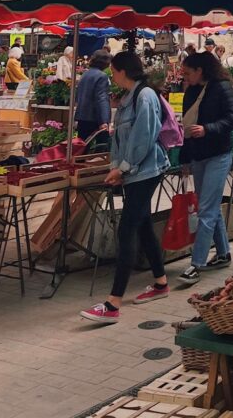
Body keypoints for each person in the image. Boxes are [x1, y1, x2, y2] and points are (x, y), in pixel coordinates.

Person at [80, 52, 169, 324]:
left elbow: (144, 137)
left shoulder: (145, 97)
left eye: (113, 72)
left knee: (127, 227)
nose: (111, 76)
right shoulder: (129, 97)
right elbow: (121, 139)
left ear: (122, 71)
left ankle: (113, 302)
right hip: (133, 172)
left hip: (147, 171)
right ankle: (161, 283)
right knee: (141, 225)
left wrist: (123, 167)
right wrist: (117, 167)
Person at [177, 51, 233, 284]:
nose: (184, 77)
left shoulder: (222, 87)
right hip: (198, 155)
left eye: (187, 72)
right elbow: (186, 126)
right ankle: (223, 253)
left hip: (218, 153)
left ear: (199, 70)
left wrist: (208, 129)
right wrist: (185, 159)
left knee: (206, 209)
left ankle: (197, 263)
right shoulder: (190, 92)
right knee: (209, 205)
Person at [75, 49, 112, 149]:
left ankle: (79, 165)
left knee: (81, 148)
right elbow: (101, 98)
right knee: (102, 148)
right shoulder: (102, 76)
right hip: (95, 118)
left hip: (83, 116)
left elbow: (77, 94)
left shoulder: (85, 74)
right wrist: (104, 121)